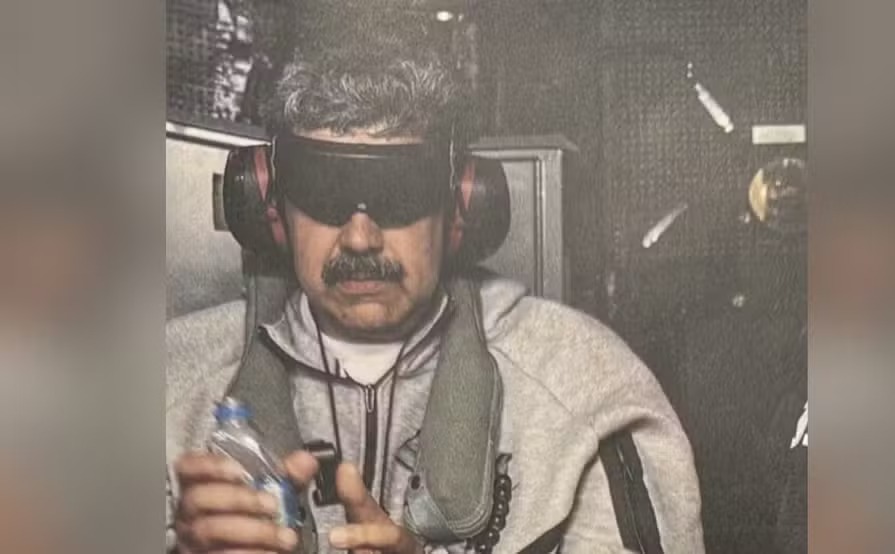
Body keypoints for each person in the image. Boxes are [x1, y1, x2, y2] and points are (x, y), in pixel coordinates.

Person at [166, 13, 703, 554]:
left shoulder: (587, 389)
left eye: (399, 193)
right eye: (325, 191)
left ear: (462, 206)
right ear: (269, 205)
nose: (360, 238)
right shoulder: (164, 385)